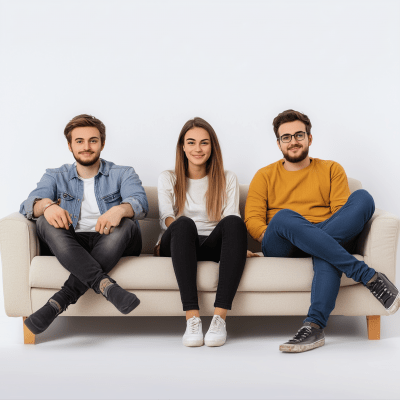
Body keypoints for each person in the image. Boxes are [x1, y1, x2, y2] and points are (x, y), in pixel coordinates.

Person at [245, 109, 400, 353]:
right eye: (286, 137)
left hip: (327, 233)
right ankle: (365, 274)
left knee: (362, 198)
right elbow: (253, 220)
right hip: (283, 242)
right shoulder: (264, 175)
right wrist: (288, 232)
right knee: (284, 217)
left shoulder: (331, 169)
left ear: (309, 138)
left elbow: (341, 214)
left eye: (299, 135)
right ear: (278, 143)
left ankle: (314, 327)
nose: (293, 141)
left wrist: (315, 239)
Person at [20, 114, 148, 335]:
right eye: (79, 141)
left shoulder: (123, 173)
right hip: (72, 241)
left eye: (93, 140)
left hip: (112, 238)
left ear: (102, 143)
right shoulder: (54, 175)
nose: (86, 147)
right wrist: (48, 206)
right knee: (44, 221)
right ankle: (106, 286)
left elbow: (141, 204)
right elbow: (28, 205)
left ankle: (60, 300)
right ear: (70, 145)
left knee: (127, 224)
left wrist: (119, 210)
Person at [156, 117, 257, 347]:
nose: (197, 149)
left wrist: (237, 249)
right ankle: (192, 318)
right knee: (183, 223)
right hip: (178, 242)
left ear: (212, 147)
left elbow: (230, 218)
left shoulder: (227, 178)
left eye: (204, 143)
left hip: (211, 245)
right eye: (191, 142)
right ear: (182, 146)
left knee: (233, 222)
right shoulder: (168, 178)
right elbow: (165, 220)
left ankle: (219, 319)